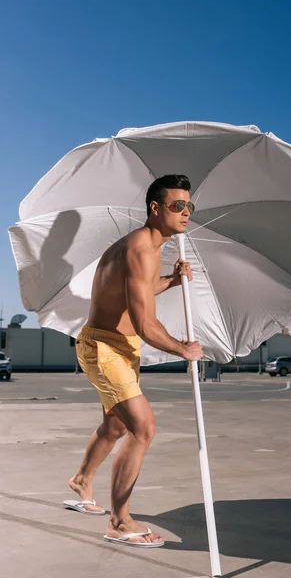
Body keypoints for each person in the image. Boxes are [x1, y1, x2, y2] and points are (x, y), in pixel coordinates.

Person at [63, 174, 202, 548]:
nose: (186, 212)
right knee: (143, 427)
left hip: (120, 347)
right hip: (104, 348)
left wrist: (170, 282)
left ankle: (81, 480)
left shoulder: (146, 249)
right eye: (178, 205)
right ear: (155, 209)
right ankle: (120, 522)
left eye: (190, 206)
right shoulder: (141, 248)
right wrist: (183, 349)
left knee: (116, 426)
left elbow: (133, 290)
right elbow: (146, 324)